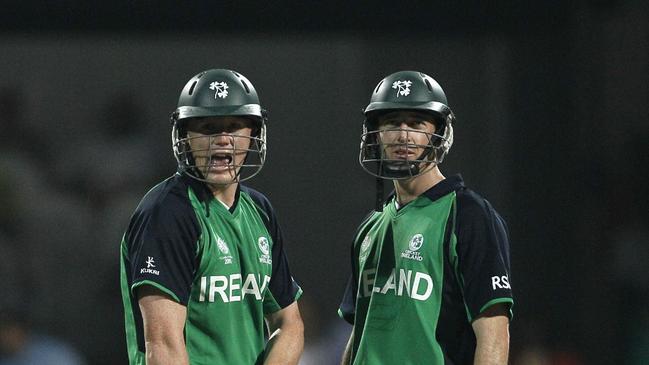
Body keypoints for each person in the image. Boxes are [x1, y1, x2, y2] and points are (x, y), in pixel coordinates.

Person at [119, 68, 304, 365]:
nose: (221, 139)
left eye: (233, 126)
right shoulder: (167, 212)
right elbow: (164, 346)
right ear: (185, 138)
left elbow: (289, 323)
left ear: (253, 135)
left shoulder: (260, 210)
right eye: (207, 128)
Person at [338, 70, 514, 364]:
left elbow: (493, 331)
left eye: (417, 122)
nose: (403, 134)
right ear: (376, 134)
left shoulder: (469, 215)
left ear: (440, 133)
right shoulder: (370, 227)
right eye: (392, 122)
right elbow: (362, 331)